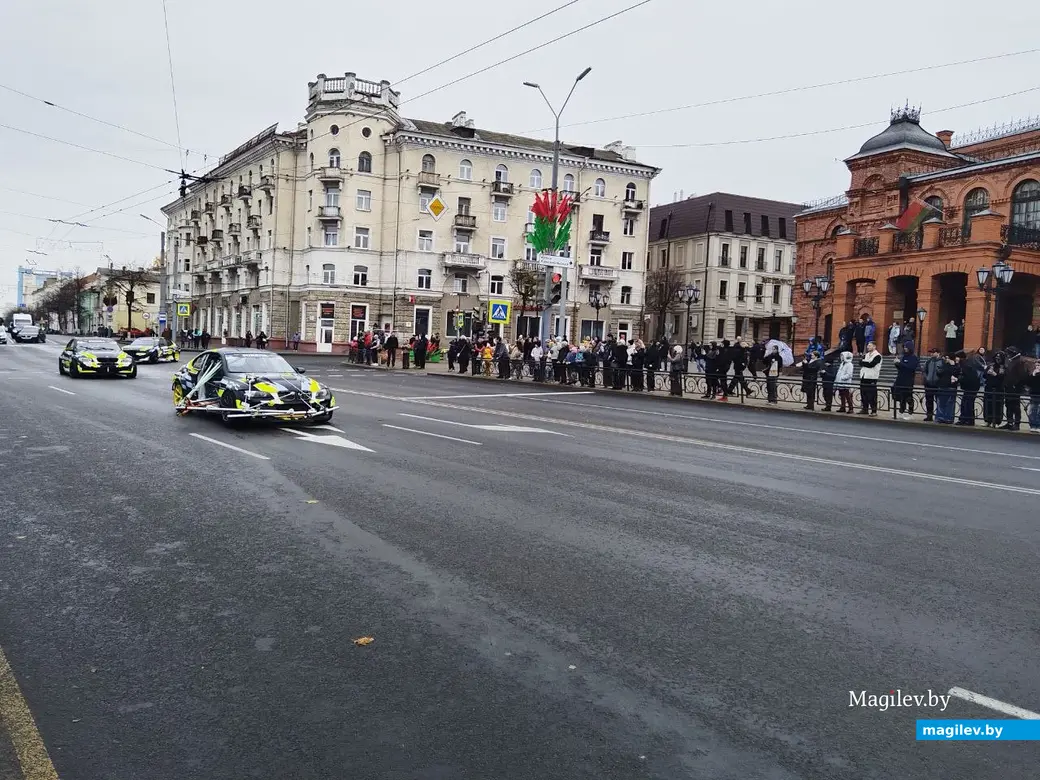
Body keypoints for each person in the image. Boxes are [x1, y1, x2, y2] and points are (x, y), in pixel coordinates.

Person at [891, 343, 919, 420]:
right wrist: (897, 364)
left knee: (908, 397)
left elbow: (911, 368)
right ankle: (901, 411)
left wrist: (900, 363)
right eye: (904, 347)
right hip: (900, 379)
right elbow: (901, 368)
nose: (905, 349)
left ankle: (910, 412)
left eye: (906, 347)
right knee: (900, 396)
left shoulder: (914, 358)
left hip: (908, 380)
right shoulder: (904, 357)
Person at [955, 350, 980, 426]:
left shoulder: (965, 365)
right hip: (972, 386)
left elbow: (967, 377)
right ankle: (968, 419)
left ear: (960, 358)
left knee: (967, 403)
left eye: (957, 357)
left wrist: (958, 379)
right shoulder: (966, 363)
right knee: (967, 403)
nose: (956, 359)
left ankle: (966, 419)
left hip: (971, 387)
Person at [983, 350, 1006, 428]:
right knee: (988, 404)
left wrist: (995, 374)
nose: (997, 359)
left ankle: (996, 421)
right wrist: (987, 372)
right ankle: (988, 420)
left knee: (997, 405)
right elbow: (984, 375)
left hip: (998, 389)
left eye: (999, 358)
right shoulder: (991, 365)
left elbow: (1002, 377)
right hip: (989, 387)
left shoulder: (1003, 367)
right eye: (996, 357)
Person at [858, 341, 882, 416]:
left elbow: (871, 364)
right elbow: (860, 362)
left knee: (871, 395)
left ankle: (873, 410)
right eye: (868, 345)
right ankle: (865, 409)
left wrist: (863, 362)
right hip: (864, 376)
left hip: (871, 377)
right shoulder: (866, 355)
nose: (868, 347)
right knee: (863, 394)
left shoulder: (877, 356)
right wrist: (864, 362)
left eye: (870, 345)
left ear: (874, 347)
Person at [935, 354, 959, 424]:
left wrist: (953, 365)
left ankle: (949, 418)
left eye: (948, 358)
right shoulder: (944, 365)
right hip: (942, 385)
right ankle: (940, 417)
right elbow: (939, 373)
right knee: (941, 402)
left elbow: (957, 373)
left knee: (950, 403)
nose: (947, 360)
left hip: (951, 386)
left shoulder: (956, 366)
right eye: (946, 358)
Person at [921, 347, 942, 422]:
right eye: (931, 352)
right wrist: (926, 378)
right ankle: (929, 416)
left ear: (938, 353)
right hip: (929, 384)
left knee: (939, 401)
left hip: (937, 384)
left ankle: (939, 416)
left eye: (933, 352)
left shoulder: (942, 361)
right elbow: (924, 371)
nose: (932, 354)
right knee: (929, 401)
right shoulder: (928, 361)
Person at [1026, 359, 1040, 433]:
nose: (1037, 367)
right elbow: (1029, 383)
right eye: (1036, 365)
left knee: (1038, 411)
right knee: (1032, 410)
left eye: (1039, 365)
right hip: (1034, 394)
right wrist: (1033, 375)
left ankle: (1038, 426)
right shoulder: (1033, 373)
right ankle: (1032, 425)